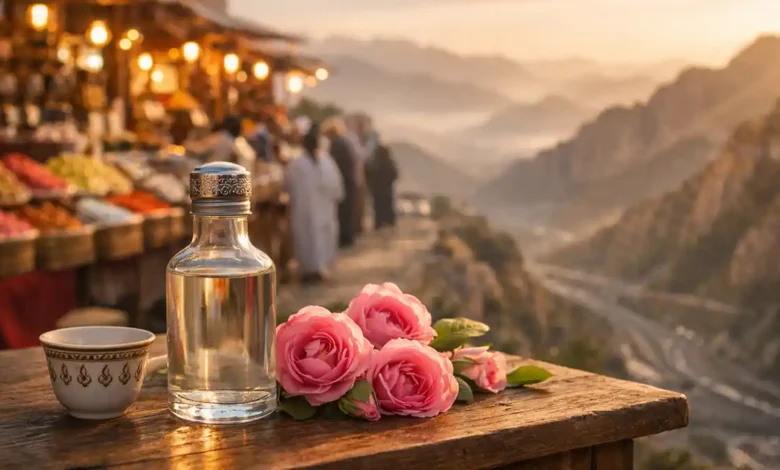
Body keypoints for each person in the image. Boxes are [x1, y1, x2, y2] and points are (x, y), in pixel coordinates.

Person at [284, 119, 344, 283]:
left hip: (323, 208)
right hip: (304, 209)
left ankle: (321, 269)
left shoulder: (326, 161)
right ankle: (309, 271)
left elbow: (336, 185)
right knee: (306, 238)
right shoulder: (296, 164)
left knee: (323, 237)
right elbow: (288, 185)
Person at [322, 116, 361, 248]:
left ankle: (345, 239)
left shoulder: (337, 144)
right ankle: (348, 237)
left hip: (345, 181)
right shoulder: (343, 142)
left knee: (344, 212)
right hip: (349, 180)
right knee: (348, 211)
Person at [366, 138, 398, 231]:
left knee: (378, 209)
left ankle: (379, 225)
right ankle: (389, 224)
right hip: (387, 191)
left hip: (377, 191)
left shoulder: (374, 163)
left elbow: (368, 175)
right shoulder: (389, 162)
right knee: (388, 207)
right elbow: (395, 175)